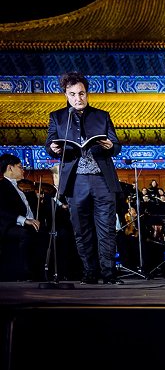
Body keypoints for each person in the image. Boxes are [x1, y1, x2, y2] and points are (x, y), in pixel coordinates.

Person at [45, 71, 124, 285]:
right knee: (82, 229)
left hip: (102, 180)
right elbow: (49, 145)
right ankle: (90, 272)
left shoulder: (102, 115)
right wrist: (53, 148)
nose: (78, 98)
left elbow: (116, 145)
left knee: (106, 228)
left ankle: (108, 273)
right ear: (66, 95)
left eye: (81, 93)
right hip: (75, 181)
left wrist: (110, 146)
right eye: (72, 94)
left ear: (87, 94)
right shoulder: (57, 117)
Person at [0, 153, 42, 281]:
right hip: (10, 225)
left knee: (54, 233)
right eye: (20, 167)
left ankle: (43, 273)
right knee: (25, 234)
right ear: (10, 168)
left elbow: (29, 208)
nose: (23, 170)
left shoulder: (23, 187)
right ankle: (24, 273)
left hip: (30, 224)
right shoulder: (1, 186)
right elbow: (2, 210)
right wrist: (25, 220)